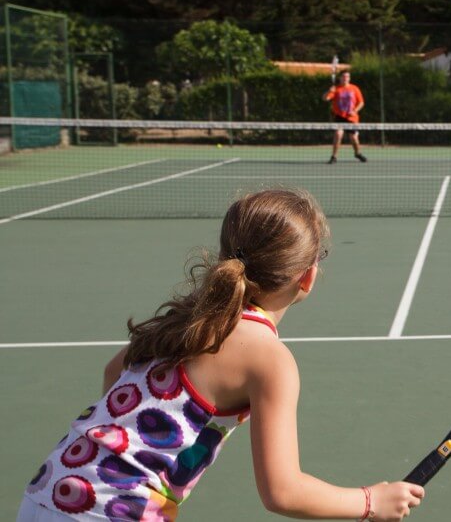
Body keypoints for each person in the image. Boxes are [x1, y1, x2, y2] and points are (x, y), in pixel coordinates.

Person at [17, 189, 424, 521]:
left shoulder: (186, 319)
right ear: (308, 276)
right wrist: (370, 501)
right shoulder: (269, 358)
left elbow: (113, 372)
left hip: (46, 496)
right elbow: (283, 492)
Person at [324, 71, 367, 164]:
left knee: (354, 138)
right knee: (338, 134)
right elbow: (325, 98)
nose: (346, 78)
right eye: (344, 76)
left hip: (352, 118)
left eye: (348, 76)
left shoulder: (355, 88)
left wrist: (354, 111)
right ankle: (334, 157)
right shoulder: (336, 89)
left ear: (349, 78)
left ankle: (357, 153)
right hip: (339, 116)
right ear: (340, 78)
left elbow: (361, 103)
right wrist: (329, 91)